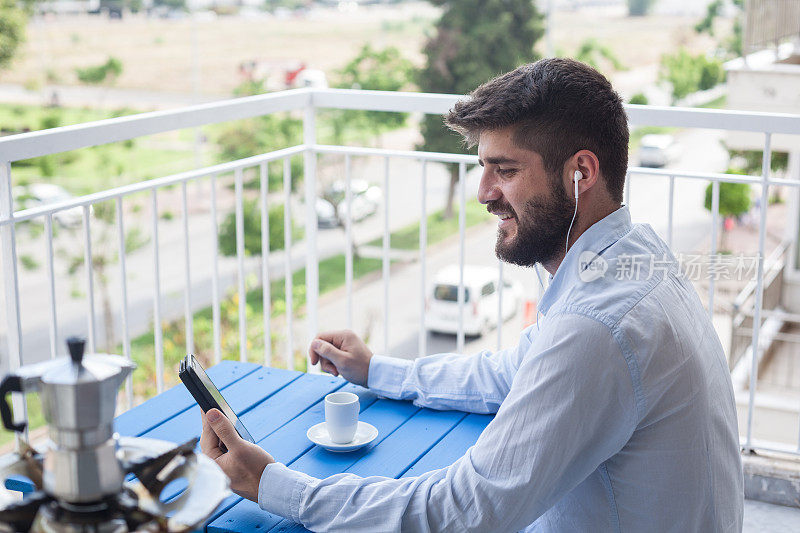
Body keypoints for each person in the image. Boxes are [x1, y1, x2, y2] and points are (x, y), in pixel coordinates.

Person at [200, 58, 744, 532]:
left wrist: (271, 485)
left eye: (505, 171)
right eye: (482, 168)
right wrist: (377, 370)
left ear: (582, 172)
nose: (483, 194)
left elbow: (463, 512)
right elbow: (513, 371)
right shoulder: (634, 256)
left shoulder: (597, 325)